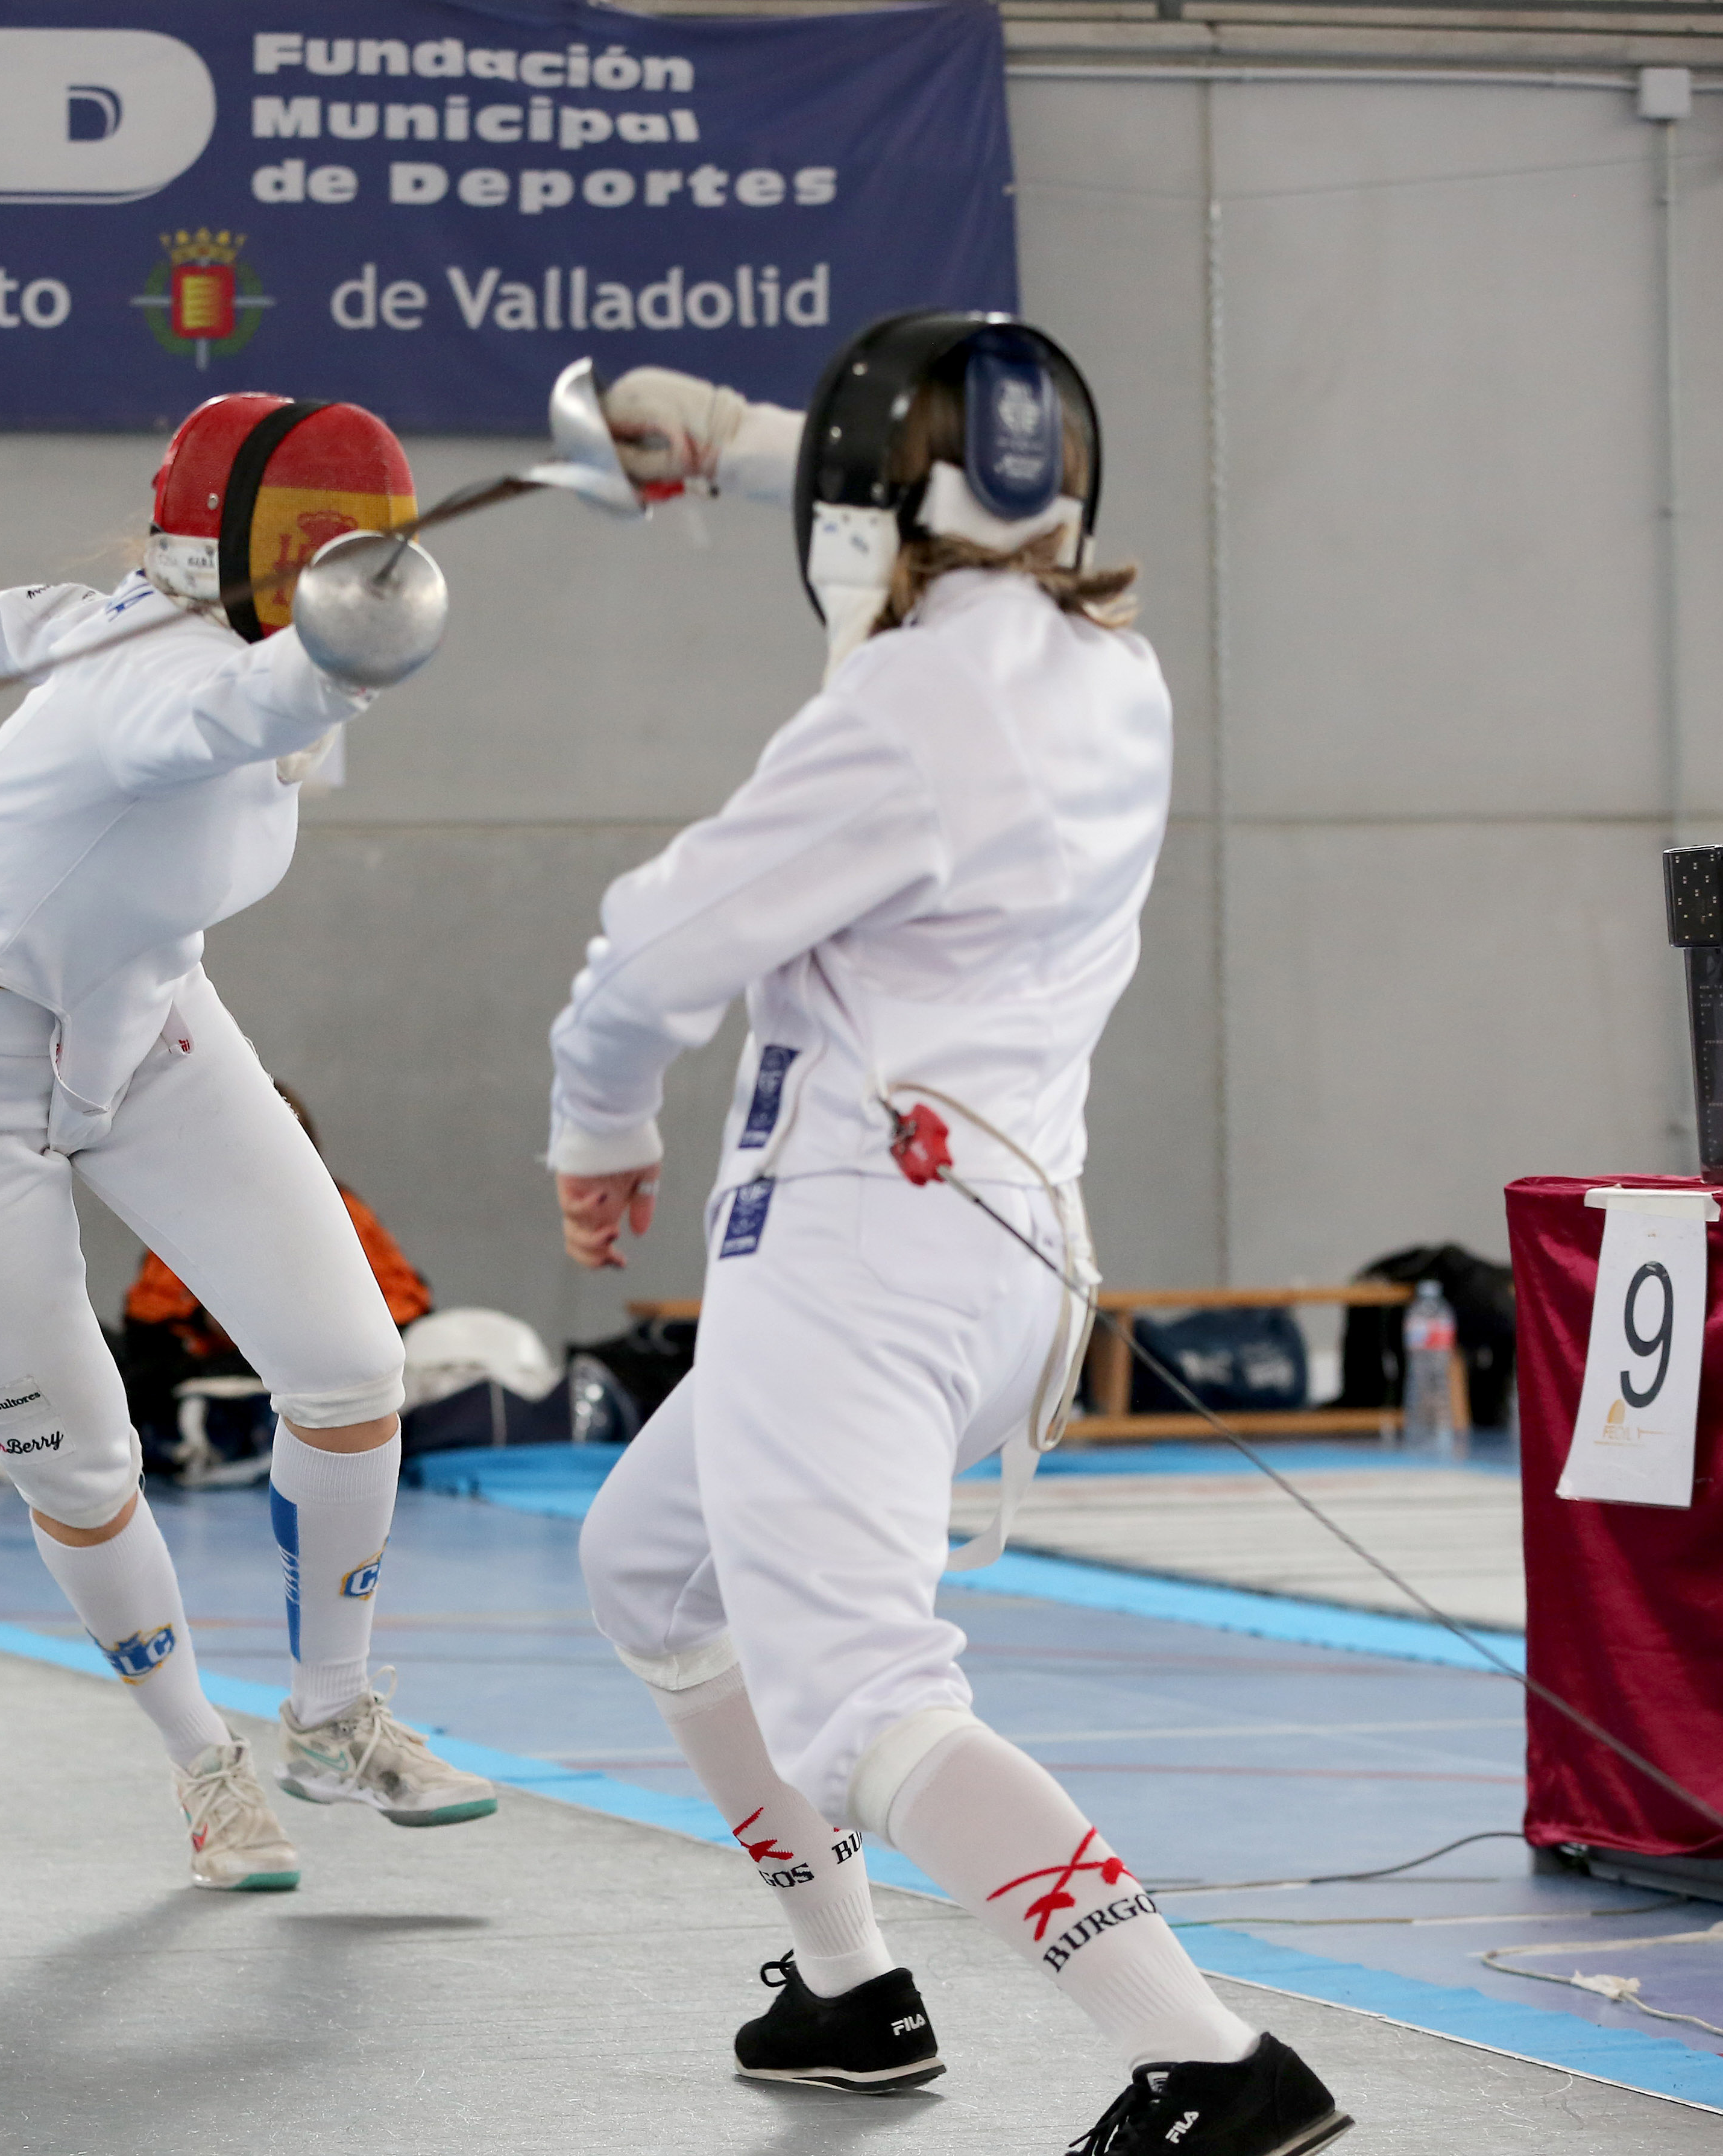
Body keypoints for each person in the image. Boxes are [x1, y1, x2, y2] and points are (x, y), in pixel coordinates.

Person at [550, 320, 1349, 2155]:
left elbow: (655, 952)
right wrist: (739, 437)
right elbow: (954, 537)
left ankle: (1208, 2061)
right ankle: (847, 1986)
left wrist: (592, 1134)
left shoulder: (902, 711)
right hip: (1007, 1263)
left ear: (858, 517)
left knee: (864, 1705)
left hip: (850, 1263)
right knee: (645, 1571)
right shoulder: (1107, 668)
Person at [0, 393, 494, 1896]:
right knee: (78, 1456)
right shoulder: (167, 680)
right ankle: (205, 1760)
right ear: (250, 555)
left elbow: (2, 620)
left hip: (138, 1012)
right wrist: (334, 654)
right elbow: (226, 713)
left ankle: (333, 1711)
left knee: (352, 1367)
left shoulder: (116, 616)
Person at [121, 1082, 432, 1480]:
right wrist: (204, 1318)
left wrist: (311, 1319)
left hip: (306, 1360)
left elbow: (405, 1303)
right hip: (205, 1359)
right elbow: (146, 1316)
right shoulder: (191, 1214)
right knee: (121, 1370)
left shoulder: (339, 1212)